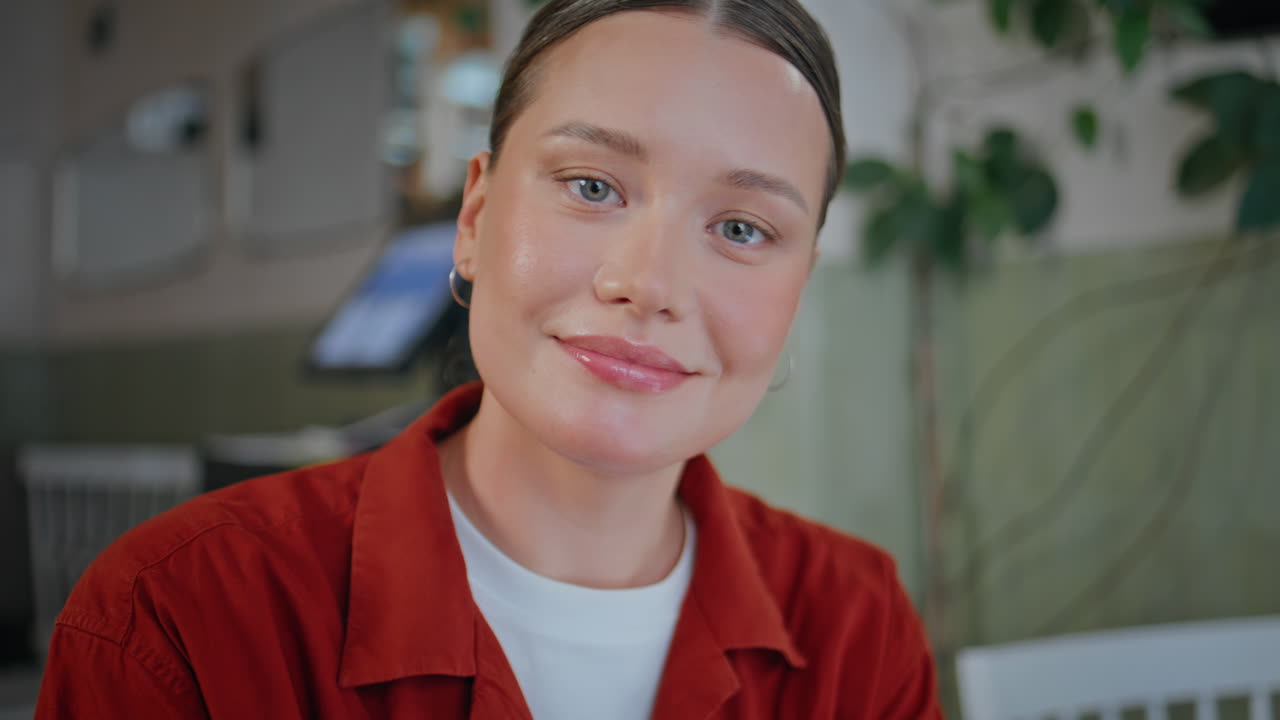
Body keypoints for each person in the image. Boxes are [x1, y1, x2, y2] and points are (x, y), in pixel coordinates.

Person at [35, 0, 943, 717]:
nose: (649, 284)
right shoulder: (183, 617)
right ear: (474, 219)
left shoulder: (855, 627)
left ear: (797, 288)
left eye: (743, 228)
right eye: (592, 186)